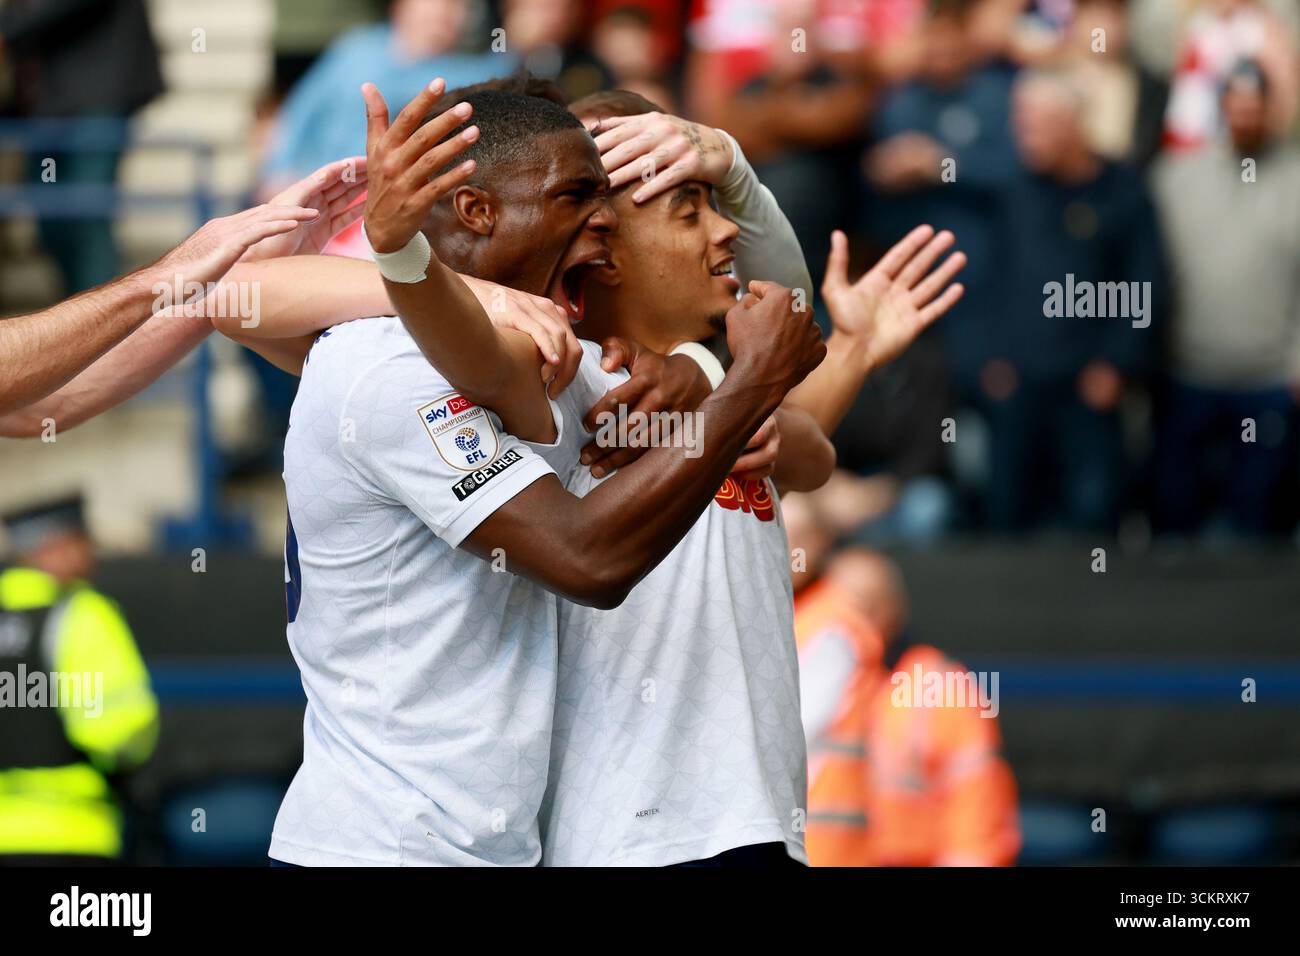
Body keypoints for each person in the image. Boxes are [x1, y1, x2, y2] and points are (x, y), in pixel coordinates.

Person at [265, 80, 825, 866]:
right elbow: (587, 558)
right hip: (382, 849)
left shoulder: (562, 361)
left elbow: (797, 350)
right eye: (576, 195)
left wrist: (709, 369)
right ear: (476, 211)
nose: (602, 219)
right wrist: (397, 254)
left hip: (500, 847)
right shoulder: (378, 363)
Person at [980, 66, 1165, 533]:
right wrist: (991, 359)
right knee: (1007, 520)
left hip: (1090, 389)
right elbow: (991, 279)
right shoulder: (1012, 189)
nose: (1025, 133)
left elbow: (1143, 284)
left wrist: (1117, 364)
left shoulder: (1123, 191)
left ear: (1074, 122)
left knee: (1093, 519)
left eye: (1039, 121)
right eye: (1020, 120)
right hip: (1018, 387)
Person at [786, 520, 1020, 866]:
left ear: (894, 610)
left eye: (863, 604)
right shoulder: (816, 672)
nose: (847, 620)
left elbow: (977, 815)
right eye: (836, 605)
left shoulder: (940, 686)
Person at [1150, 59, 1300, 536]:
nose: (1245, 116)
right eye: (1235, 105)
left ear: (1272, 109)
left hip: (1269, 378)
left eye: (1255, 106)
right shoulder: (1175, 177)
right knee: (1176, 513)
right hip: (1187, 373)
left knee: (1256, 522)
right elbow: (1150, 272)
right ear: (1220, 108)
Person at [0, 495, 158, 863]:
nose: (91, 557)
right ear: (59, 546)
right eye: (83, 543)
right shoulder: (83, 616)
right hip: (72, 837)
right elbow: (118, 737)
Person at [261, 0, 515, 193]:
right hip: (314, 184)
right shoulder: (355, 48)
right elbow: (300, 112)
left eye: (456, 5)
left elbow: (507, 72)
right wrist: (278, 171)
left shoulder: (466, 73)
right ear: (400, 6)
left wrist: (518, 37)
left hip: (381, 200)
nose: (444, 12)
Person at [0, 0, 162, 294]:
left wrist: (8, 32)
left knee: (87, 219)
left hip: (99, 94)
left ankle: (104, 330)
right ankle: (80, 319)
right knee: (52, 224)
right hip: (46, 104)